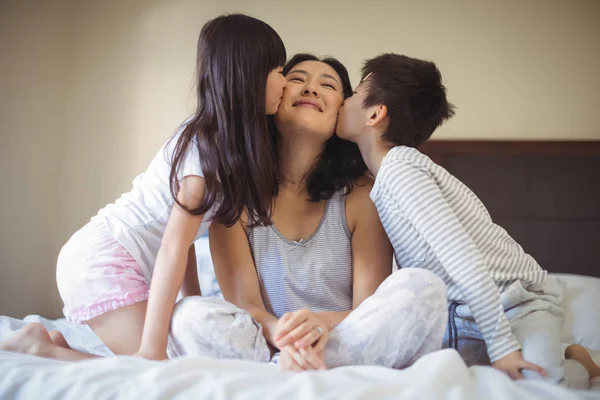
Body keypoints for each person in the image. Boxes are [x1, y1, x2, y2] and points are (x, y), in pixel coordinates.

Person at [0, 14, 287, 362]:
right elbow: (172, 248)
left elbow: (186, 248)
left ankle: (50, 347)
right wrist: (152, 349)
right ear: (249, 76)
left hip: (115, 258)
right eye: (279, 71)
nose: (285, 83)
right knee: (152, 366)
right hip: (102, 260)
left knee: (172, 358)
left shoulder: (225, 150)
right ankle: (38, 347)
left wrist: (191, 303)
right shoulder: (204, 152)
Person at [167, 54, 448, 371]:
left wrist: (318, 325)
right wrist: (282, 335)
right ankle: (281, 368)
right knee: (186, 314)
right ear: (274, 99)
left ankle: (295, 370)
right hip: (265, 343)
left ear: (343, 111)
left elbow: (367, 309)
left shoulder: (362, 196)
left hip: (341, 344)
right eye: (297, 79)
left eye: (327, 85)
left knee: (423, 288)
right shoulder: (234, 196)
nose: (311, 89)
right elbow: (244, 305)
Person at [335, 52, 598, 388]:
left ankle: (578, 360)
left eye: (355, 93)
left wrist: (502, 345)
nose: (346, 99)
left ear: (375, 112)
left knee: (542, 388)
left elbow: (462, 258)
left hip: (517, 304)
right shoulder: (380, 181)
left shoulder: (402, 168)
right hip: (459, 319)